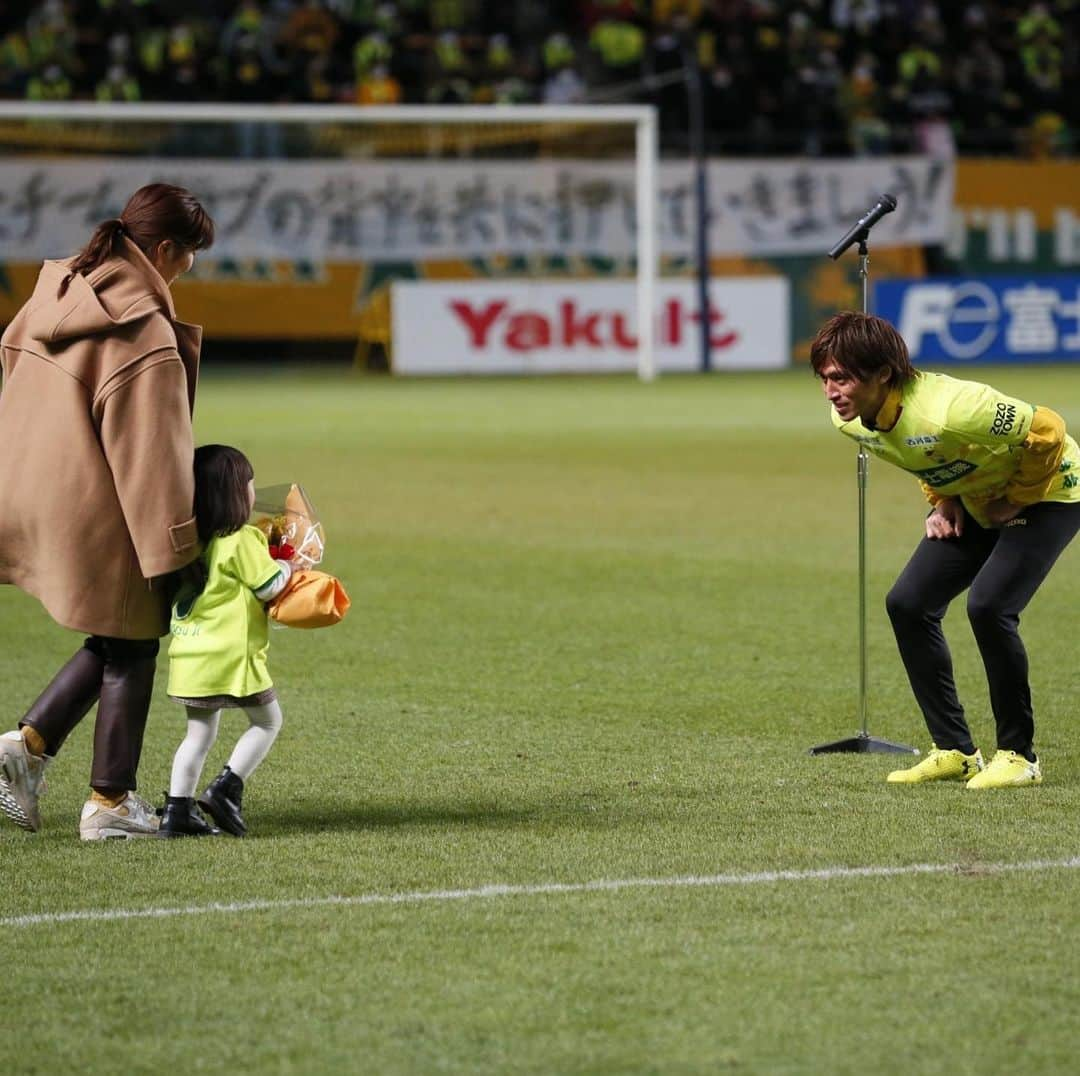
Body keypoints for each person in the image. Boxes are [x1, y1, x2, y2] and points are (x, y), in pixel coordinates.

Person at [0, 183, 214, 839]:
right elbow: (150, 457)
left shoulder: (54, 295)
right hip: (101, 498)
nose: (190, 269)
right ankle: (110, 802)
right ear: (166, 248)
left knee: (118, 633)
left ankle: (27, 748)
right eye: (190, 256)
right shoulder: (140, 329)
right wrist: (177, 552)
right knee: (137, 636)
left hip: (30, 488)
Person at [811, 311, 1080, 789]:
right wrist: (944, 501)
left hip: (1052, 491)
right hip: (981, 499)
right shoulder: (850, 422)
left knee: (990, 606)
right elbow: (922, 455)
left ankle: (1020, 757)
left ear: (883, 374)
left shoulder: (954, 408)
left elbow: (1049, 429)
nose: (831, 392)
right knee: (909, 604)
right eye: (825, 379)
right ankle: (955, 751)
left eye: (842, 378)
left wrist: (1014, 499)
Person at [160, 444, 293, 838]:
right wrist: (288, 564)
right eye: (250, 484)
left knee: (198, 734)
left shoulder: (191, 540)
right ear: (236, 493)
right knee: (268, 722)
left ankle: (177, 811)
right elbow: (270, 587)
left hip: (188, 655)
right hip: (230, 658)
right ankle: (226, 789)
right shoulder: (241, 538)